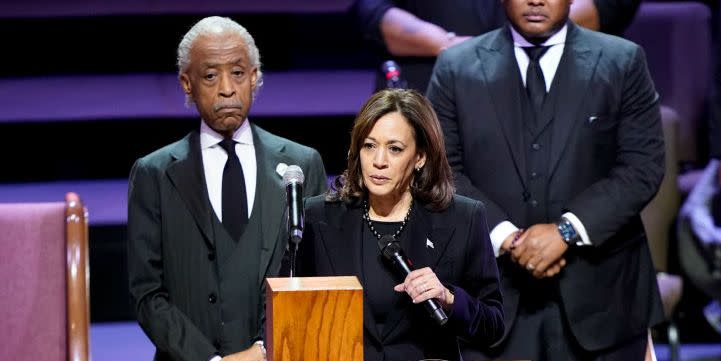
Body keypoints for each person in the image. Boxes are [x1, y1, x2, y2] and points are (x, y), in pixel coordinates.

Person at [425, 0, 665, 358]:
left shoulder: (622, 61)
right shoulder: (455, 67)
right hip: (493, 303)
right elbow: (441, 169)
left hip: (604, 301)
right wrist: (507, 238)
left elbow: (642, 166)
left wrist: (566, 231)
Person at [127, 16, 328, 361]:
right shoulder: (154, 174)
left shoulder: (301, 165)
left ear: (254, 77)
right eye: (210, 75)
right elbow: (147, 293)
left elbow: (316, 277)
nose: (226, 88)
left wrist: (264, 350)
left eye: (237, 73)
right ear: (186, 84)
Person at [291, 88, 504, 361]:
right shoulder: (317, 217)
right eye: (369, 146)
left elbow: (493, 325)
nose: (379, 162)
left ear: (420, 157)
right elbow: (288, 310)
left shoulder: (462, 217)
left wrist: (448, 299)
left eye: (395, 149)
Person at [352, 0, 640, 93]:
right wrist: (446, 44)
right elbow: (369, 10)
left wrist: (505, 44)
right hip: (433, 73)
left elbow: (612, 4)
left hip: (550, 76)